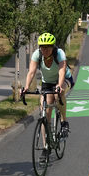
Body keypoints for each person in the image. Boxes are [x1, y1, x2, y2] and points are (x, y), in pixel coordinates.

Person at [21, 32, 72, 161]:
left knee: (59, 94)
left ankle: (64, 122)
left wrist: (59, 85)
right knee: (44, 112)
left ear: (53, 47)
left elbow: (61, 70)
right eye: (42, 47)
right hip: (47, 82)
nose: (45, 50)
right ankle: (46, 147)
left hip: (64, 79)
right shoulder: (37, 55)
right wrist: (26, 86)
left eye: (48, 47)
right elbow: (31, 71)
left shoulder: (59, 53)